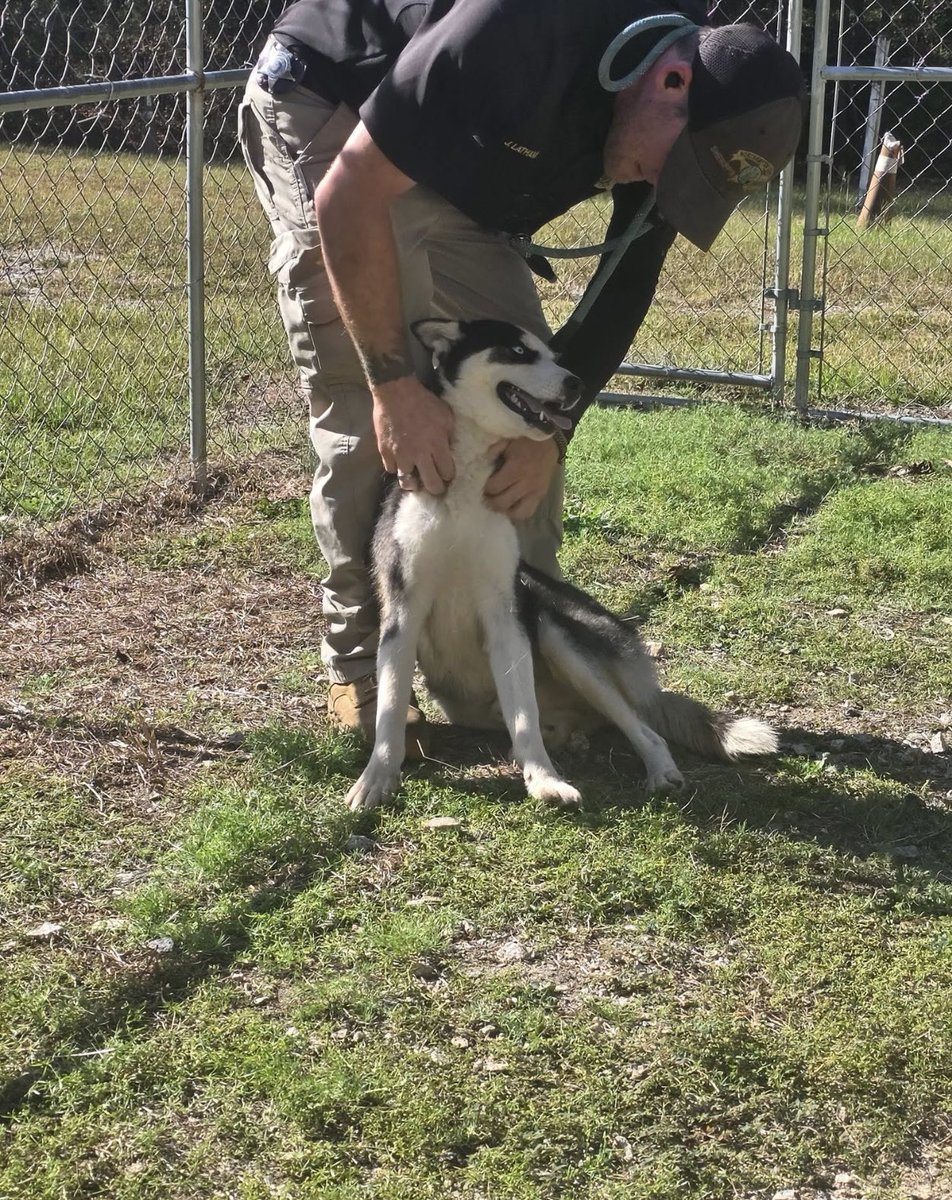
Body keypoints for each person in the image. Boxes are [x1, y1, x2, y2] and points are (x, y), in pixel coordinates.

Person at [238, 0, 804, 747]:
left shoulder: (690, 108)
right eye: (676, 168)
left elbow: (627, 281)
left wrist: (552, 433)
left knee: (525, 395)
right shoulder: (518, 28)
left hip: (459, 155)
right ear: (669, 80)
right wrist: (394, 388)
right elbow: (351, 196)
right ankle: (362, 667)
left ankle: (514, 665)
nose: (663, 186)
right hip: (334, 102)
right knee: (371, 395)